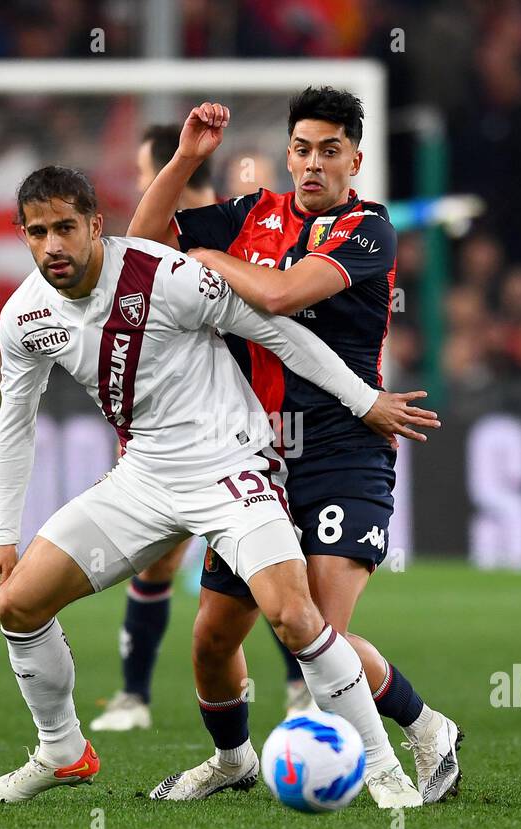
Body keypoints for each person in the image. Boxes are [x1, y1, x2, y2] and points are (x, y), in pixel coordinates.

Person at [0, 165, 438, 808]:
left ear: (94, 226)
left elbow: (277, 331)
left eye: (65, 228)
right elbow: (14, 423)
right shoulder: (23, 314)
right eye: (37, 232)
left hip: (232, 467)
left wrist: (364, 400)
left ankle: (385, 770)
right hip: (143, 478)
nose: (52, 245)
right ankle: (62, 749)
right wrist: (4, 538)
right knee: (17, 605)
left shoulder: (163, 276)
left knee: (294, 616)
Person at [130, 89, 464, 805]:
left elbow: (281, 297)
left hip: (347, 450)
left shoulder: (368, 229)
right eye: (303, 149)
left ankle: (428, 726)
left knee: (314, 636)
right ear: (288, 154)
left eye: (330, 151)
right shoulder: (252, 212)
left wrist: (212, 257)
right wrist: (188, 158)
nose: (314, 164)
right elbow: (140, 243)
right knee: (213, 638)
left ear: (356, 161)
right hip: (254, 460)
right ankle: (230, 761)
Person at [93, 123, 319, 733]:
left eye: (147, 172)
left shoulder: (238, 233)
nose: (144, 183)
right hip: (174, 428)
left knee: (260, 565)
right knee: (171, 567)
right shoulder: (181, 237)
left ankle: (296, 690)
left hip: (243, 426)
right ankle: (138, 699)